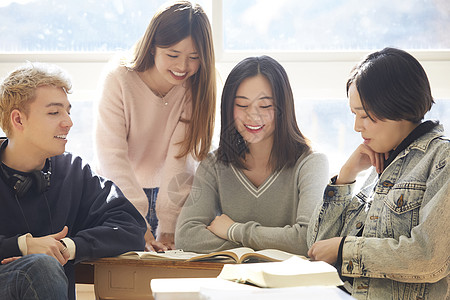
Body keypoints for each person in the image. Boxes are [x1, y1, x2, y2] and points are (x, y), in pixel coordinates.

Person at [307, 47, 449, 299]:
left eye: (364, 115)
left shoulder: (442, 160)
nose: (356, 126)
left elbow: (429, 257)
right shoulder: (378, 167)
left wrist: (344, 249)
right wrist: (345, 176)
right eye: (354, 114)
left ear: (396, 106)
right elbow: (317, 246)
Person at [0, 62, 146, 300]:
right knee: (40, 268)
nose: (68, 122)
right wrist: (24, 246)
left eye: (68, 111)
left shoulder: (73, 171)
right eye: (54, 112)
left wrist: (66, 248)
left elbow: (131, 227)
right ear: (18, 120)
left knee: (44, 266)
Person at [175, 56, 328, 255]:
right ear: (229, 108)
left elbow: (306, 239)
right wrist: (273, 244)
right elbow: (186, 236)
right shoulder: (214, 164)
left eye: (265, 106)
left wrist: (233, 230)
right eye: (242, 105)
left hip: (289, 284)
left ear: (284, 108)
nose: (253, 115)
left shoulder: (311, 163)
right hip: (230, 282)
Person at [94, 0, 216, 251]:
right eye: (172, 55)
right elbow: (112, 156)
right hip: (120, 192)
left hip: (173, 193)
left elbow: (179, 158)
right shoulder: (118, 79)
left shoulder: (193, 87)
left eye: (194, 57)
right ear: (152, 48)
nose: (183, 67)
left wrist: (169, 224)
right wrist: (138, 221)